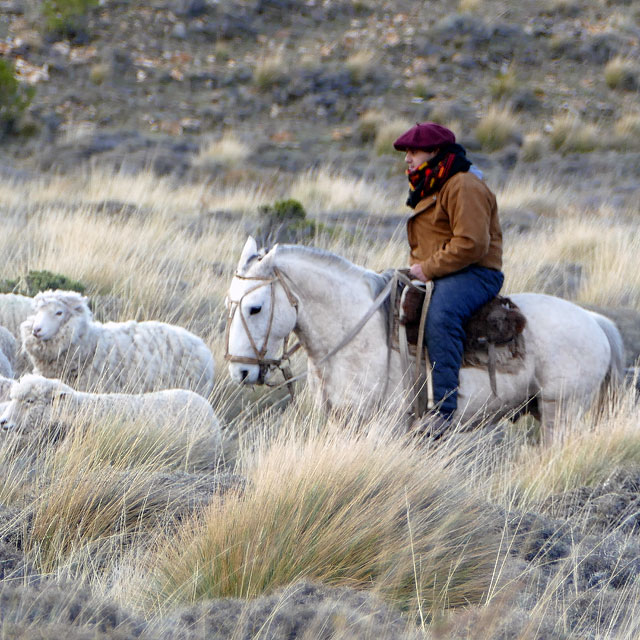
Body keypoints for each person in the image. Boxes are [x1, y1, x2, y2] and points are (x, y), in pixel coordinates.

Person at [393, 122, 504, 432]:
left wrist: (426, 269)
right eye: (407, 152)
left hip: (476, 273)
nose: (408, 158)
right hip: (447, 270)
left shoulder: (462, 185)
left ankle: (443, 411)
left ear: (435, 152)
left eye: (413, 151)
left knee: (440, 316)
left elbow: (472, 244)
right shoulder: (435, 184)